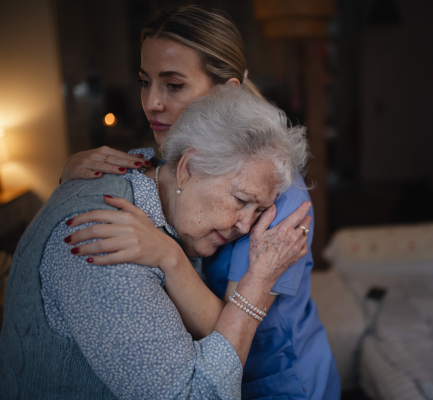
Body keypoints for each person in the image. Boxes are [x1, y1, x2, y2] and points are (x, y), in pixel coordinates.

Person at [58, 5, 340, 399]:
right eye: (145, 82)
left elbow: (226, 327)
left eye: (173, 85)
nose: (152, 102)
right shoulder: (176, 161)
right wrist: (71, 173)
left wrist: (168, 258)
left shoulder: (275, 190)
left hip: (278, 380)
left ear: (227, 93)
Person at [0, 86, 312, 399]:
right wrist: (259, 279)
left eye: (258, 210)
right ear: (188, 168)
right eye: (241, 200)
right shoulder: (110, 239)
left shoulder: (155, 187)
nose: (246, 225)